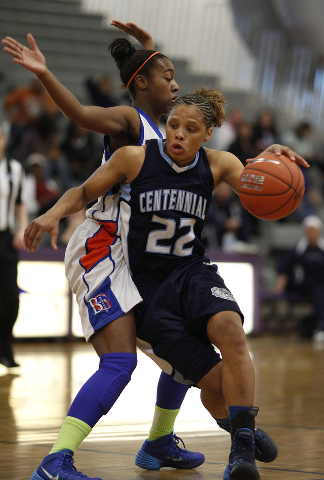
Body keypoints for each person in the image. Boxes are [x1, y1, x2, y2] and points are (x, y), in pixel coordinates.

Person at [3, 24, 301, 479]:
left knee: (186, 356)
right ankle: (54, 461)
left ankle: (161, 441)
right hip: (101, 247)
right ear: (144, 83)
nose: (176, 83)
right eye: (167, 76)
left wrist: (268, 163)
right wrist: (46, 74)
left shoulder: (178, 141)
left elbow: (244, 175)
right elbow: (83, 116)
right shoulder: (130, 123)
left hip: (141, 259)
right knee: (120, 361)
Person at [0, 126, 28, 368]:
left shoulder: (14, 169)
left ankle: (5, 348)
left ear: (4, 139)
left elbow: (20, 203)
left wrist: (21, 229)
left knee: (10, 297)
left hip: (4, 238)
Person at [275, 215, 324, 341]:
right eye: (309, 231)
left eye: (314, 231)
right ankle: (320, 328)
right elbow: (283, 266)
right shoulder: (299, 249)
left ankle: (310, 326)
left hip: (320, 284)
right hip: (304, 285)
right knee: (318, 292)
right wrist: (280, 284)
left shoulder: (322, 249)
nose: (311, 233)